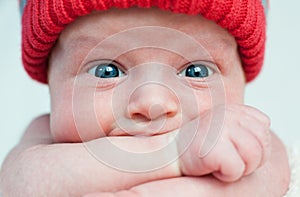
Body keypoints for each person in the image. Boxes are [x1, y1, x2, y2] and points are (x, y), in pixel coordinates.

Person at [0, 0, 290, 196]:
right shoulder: (42, 142)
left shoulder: (241, 140)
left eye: (196, 71)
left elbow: (272, 181)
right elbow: (19, 184)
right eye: (107, 71)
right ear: (51, 77)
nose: (154, 103)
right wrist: (173, 154)